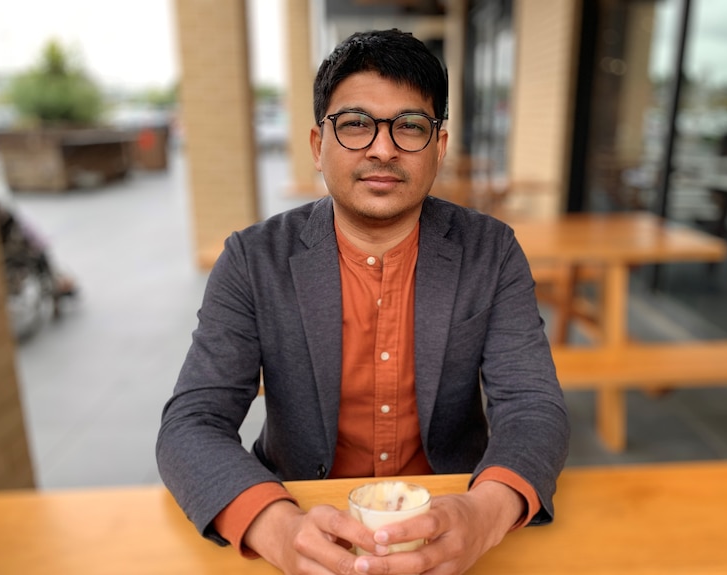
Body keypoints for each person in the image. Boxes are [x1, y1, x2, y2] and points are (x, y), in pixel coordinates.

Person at [157, 28, 569, 575]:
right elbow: (192, 421)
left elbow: (533, 405)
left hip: (451, 516)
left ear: (438, 147)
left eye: (410, 127)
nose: (382, 148)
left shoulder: (490, 250)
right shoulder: (253, 259)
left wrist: (484, 513)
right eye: (354, 124)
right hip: (300, 512)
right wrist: (275, 527)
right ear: (315, 147)